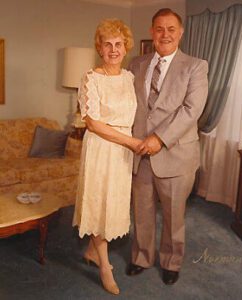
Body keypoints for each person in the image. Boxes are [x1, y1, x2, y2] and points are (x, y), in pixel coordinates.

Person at [126, 8, 209, 285]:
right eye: (159, 29)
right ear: (151, 32)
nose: (165, 34)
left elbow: (191, 110)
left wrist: (159, 139)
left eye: (171, 29)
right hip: (139, 153)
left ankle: (171, 262)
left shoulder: (196, 66)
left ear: (181, 32)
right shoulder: (135, 64)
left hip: (176, 154)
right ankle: (141, 257)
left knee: (174, 215)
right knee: (142, 211)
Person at [72, 19, 140, 295]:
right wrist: (131, 142)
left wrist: (133, 143)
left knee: (114, 203)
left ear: (126, 48)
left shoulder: (129, 78)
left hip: (123, 151)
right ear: (99, 48)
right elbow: (93, 123)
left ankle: (92, 250)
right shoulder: (91, 78)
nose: (113, 49)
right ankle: (105, 267)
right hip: (101, 147)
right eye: (107, 44)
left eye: (118, 44)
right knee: (99, 203)